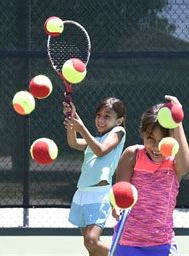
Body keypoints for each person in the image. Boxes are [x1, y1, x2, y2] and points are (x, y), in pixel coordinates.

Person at [111, 95, 189, 256]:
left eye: (163, 139)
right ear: (142, 134)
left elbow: (186, 166)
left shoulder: (174, 162)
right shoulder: (132, 155)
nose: (156, 146)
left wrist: (177, 120)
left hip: (162, 243)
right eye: (150, 138)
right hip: (127, 242)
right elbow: (120, 191)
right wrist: (116, 207)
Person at [63, 97, 127, 256]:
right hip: (81, 194)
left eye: (107, 116)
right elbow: (73, 142)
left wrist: (81, 127)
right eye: (98, 115)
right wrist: (72, 121)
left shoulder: (118, 132)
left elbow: (101, 150)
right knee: (91, 248)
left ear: (119, 120)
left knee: (92, 240)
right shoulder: (96, 140)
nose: (101, 119)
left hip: (99, 195)